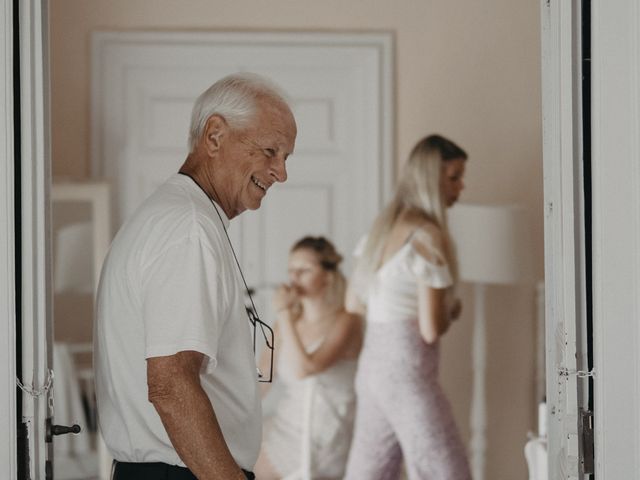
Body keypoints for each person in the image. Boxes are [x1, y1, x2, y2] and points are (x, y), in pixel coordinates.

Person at [94, 72, 297, 480]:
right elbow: (171, 386)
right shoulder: (188, 228)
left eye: (285, 158)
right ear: (215, 135)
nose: (281, 173)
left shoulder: (180, 216)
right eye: (270, 151)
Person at [343, 134, 472, 480]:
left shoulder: (379, 232)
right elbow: (431, 328)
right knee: (445, 469)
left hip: (372, 370)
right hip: (406, 372)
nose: (461, 187)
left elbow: (353, 302)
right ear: (432, 179)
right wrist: (452, 309)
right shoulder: (428, 237)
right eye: (454, 177)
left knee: (369, 471)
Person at [254, 236, 363, 480]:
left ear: (327, 275)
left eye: (304, 270)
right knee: (241, 455)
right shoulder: (285, 324)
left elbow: (307, 368)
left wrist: (283, 313)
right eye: (291, 271)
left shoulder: (347, 321)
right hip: (288, 424)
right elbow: (262, 379)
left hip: (326, 434)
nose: (294, 278)